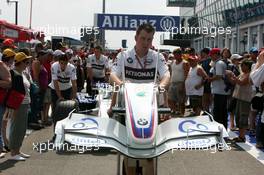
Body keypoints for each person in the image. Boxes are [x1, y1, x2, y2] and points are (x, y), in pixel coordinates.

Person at [109, 23, 170, 175]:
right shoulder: (123, 55)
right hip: (126, 109)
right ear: (136, 38)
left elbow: (166, 75)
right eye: (142, 38)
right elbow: (112, 75)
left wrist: (160, 86)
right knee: (128, 151)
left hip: (149, 110)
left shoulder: (157, 57)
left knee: (150, 153)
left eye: (149, 39)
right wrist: (121, 84)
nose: (145, 43)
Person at [4, 52, 32, 160]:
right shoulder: (14, 73)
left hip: (25, 103)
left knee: (22, 129)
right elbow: (13, 92)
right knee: (16, 128)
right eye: (26, 62)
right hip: (18, 105)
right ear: (20, 63)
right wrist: (14, 107)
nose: (27, 64)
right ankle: (13, 153)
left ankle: (17, 150)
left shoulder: (23, 73)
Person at [49, 53, 77, 128]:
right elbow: (55, 82)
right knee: (56, 112)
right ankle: (55, 131)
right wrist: (59, 96)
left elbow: (74, 84)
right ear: (59, 62)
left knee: (68, 111)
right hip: (55, 89)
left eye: (65, 63)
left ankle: (66, 129)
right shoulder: (54, 66)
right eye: (61, 63)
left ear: (68, 62)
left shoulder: (72, 68)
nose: (63, 65)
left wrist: (74, 96)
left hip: (67, 89)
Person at [208, 48, 230, 129]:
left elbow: (219, 76)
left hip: (220, 91)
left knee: (218, 113)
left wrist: (210, 79)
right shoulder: (217, 63)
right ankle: (222, 129)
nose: (211, 56)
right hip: (220, 91)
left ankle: (219, 130)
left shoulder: (219, 63)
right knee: (221, 112)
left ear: (217, 54)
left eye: (212, 55)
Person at [167, 48, 189, 116]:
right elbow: (171, 73)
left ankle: (182, 114)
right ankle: (176, 110)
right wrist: (169, 83)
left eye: (176, 54)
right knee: (170, 99)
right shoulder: (172, 62)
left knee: (181, 101)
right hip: (173, 83)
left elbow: (186, 75)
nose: (175, 56)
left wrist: (183, 85)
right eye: (174, 55)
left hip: (180, 83)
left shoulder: (185, 63)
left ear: (180, 54)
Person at [0, 53, 12, 158]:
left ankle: (3, 146)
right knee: (3, 125)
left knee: (3, 124)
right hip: (4, 102)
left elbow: (8, 83)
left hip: (3, 102)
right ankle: (5, 144)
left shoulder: (2, 66)